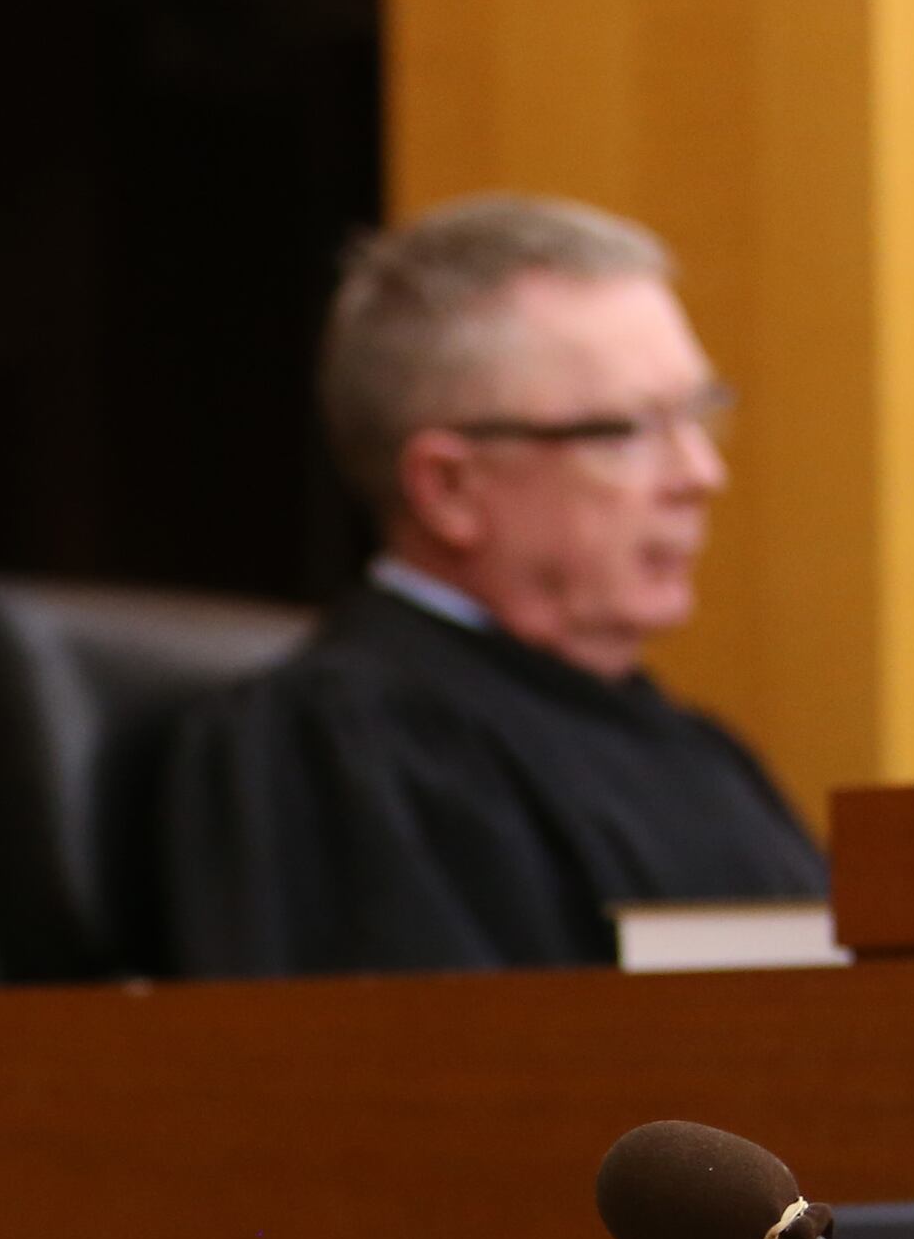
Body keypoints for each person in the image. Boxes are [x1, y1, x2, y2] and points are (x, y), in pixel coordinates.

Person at [161, 193, 826, 975]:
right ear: (450, 488)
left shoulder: (704, 755)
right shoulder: (340, 745)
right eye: (627, 432)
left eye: (699, 416)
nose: (701, 476)